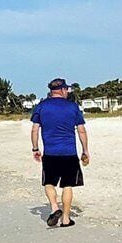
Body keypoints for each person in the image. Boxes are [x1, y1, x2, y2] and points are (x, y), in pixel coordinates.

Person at [29, 78, 89, 228]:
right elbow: (81, 130)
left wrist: (35, 149)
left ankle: (55, 208)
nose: (67, 92)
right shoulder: (72, 107)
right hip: (69, 153)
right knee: (67, 185)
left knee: (49, 182)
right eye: (66, 89)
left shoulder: (41, 106)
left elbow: (35, 129)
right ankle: (66, 219)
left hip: (50, 154)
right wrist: (85, 150)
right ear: (62, 90)